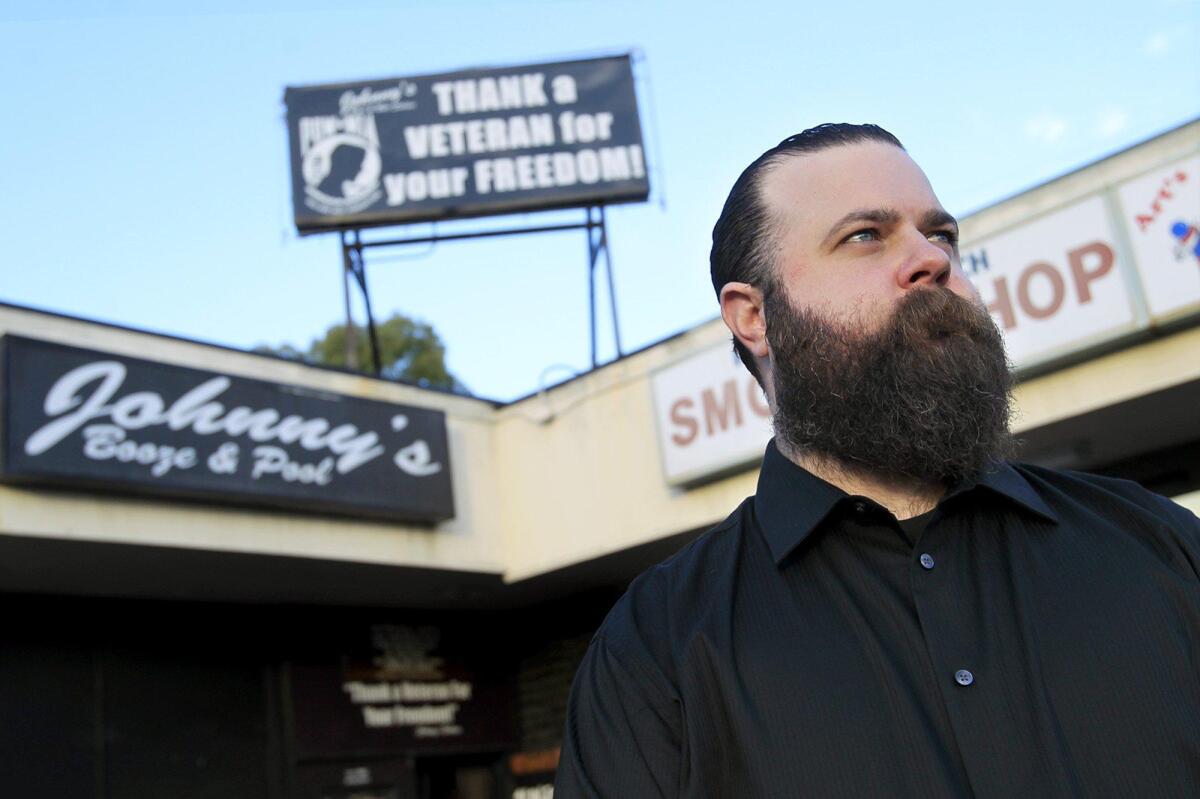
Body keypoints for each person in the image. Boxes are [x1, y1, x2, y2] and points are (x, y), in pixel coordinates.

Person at [554, 124, 1200, 798]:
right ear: (754, 316)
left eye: (941, 235)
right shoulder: (657, 649)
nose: (932, 260)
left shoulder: (1161, 547)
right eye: (865, 235)